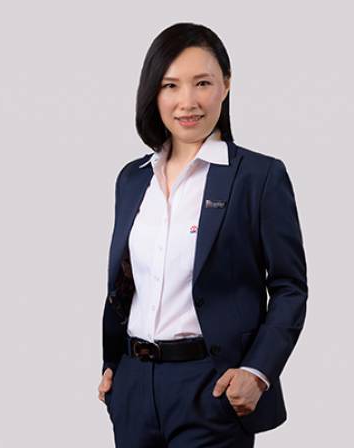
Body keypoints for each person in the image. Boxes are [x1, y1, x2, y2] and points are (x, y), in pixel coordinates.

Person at [97, 22, 308, 447]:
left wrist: (257, 372)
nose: (187, 102)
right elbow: (126, 283)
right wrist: (114, 365)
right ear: (153, 92)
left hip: (211, 388)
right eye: (170, 85)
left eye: (203, 83)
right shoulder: (132, 179)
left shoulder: (258, 177)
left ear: (226, 85)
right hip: (134, 385)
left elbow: (289, 287)